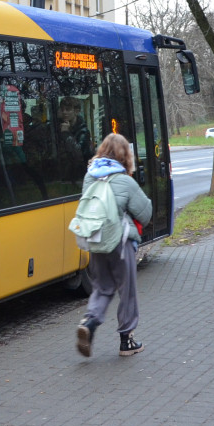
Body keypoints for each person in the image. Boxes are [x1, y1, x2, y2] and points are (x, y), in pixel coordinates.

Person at [75, 133, 153, 358]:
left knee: (102, 287)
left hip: (97, 240)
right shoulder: (125, 181)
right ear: (125, 156)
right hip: (120, 242)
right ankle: (127, 341)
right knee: (126, 291)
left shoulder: (90, 177)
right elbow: (145, 213)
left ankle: (89, 323)